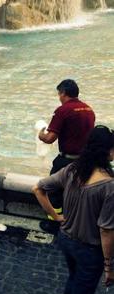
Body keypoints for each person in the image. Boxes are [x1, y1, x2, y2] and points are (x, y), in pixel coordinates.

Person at [33, 125, 114, 294]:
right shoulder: (109, 186)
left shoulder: (72, 170)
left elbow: (37, 188)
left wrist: (56, 216)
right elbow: (106, 230)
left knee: (74, 279)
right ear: (108, 152)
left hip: (66, 240)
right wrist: (109, 267)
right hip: (90, 251)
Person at [38, 79, 95, 233]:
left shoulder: (62, 110)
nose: (59, 97)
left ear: (63, 93)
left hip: (66, 160)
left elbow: (50, 138)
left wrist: (40, 134)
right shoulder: (89, 109)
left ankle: (55, 224)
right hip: (84, 160)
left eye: (59, 94)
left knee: (52, 189)